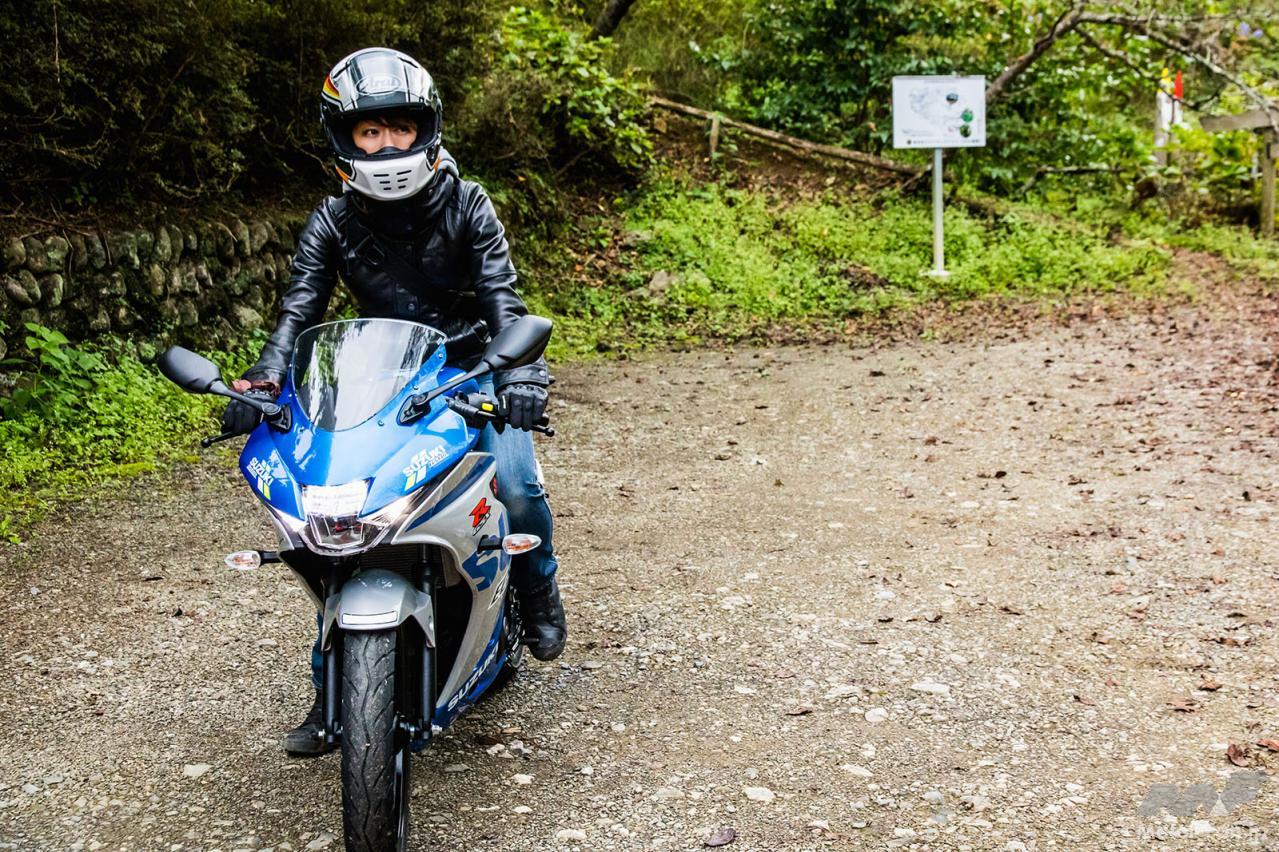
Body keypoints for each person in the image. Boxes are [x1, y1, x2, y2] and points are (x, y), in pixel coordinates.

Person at [221, 47, 567, 755]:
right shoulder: (332, 219)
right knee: (335, 514)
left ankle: (537, 590)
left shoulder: (468, 204)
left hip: (469, 368)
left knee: (516, 486)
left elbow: (503, 300)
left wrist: (522, 378)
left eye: (400, 128)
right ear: (344, 138)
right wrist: (263, 382)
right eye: (369, 131)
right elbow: (298, 310)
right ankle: (333, 684)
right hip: (378, 376)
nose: (386, 145)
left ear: (425, 129)